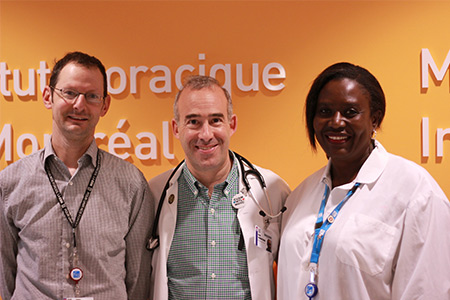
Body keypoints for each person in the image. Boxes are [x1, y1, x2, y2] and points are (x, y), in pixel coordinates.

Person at [277, 62, 450, 300]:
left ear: (375, 120)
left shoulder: (415, 192)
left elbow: (427, 291)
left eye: (350, 112)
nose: (336, 122)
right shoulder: (299, 196)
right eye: (325, 111)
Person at [0, 51, 153, 300]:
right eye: (69, 93)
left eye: (92, 96)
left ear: (105, 105)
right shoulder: (10, 183)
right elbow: (6, 275)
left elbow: (137, 280)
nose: (79, 105)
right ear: (48, 97)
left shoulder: (131, 183)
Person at [147, 75, 290, 300]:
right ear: (176, 128)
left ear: (231, 124)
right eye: (193, 122)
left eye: (215, 120)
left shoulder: (272, 191)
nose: (206, 134)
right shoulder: (154, 194)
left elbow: (293, 273)